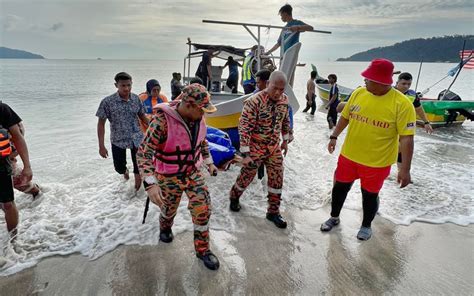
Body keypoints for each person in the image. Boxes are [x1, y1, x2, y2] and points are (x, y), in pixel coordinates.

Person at [320, 59, 416, 241]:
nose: (364, 80)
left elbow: (406, 138)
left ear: (381, 81)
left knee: (370, 196)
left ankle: (366, 225)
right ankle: (334, 217)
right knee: (339, 189)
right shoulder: (358, 93)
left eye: (368, 78)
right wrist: (334, 136)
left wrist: (405, 169)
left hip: (377, 162)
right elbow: (345, 117)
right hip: (349, 156)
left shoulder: (402, 104)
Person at [136, 84, 220, 270]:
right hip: (168, 175)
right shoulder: (161, 122)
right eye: (201, 109)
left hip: (192, 171)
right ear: (189, 105)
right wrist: (150, 184)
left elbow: (202, 141)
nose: (204, 114)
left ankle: (203, 250)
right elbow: (143, 153)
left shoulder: (198, 117)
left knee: (203, 209)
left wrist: (209, 162)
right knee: (168, 209)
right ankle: (165, 227)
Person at [229, 71, 291, 229]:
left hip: (273, 146)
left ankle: (273, 212)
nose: (278, 93)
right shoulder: (254, 101)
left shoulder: (284, 101)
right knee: (246, 176)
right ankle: (234, 197)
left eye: (281, 90)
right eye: (275, 88)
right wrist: (246, 153)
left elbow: (285, 122)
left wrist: (285, 140)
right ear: (268, 83)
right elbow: (244, 128)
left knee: (277, 177)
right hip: (255, 146)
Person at [96, 72, 149, 191]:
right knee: (119, 168)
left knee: (138, 166)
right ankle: (125, 171)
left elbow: (142, 116)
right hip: (118, 139)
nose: (126, 88)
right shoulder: (107, 102)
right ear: (116, 85)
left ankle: (135, 194)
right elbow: (101, 124)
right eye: (123, 85)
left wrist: (153, 127)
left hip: (136, 138)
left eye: (129, 85)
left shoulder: (136, 99)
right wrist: (101, 146)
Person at [1, 102, 33, 238]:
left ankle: (13, 240)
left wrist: (27, 167)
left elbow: (18, 136)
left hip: (3, 160)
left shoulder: (2, 109)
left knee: (17, 186)